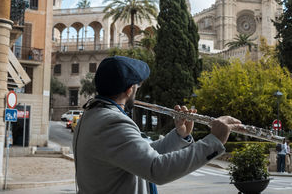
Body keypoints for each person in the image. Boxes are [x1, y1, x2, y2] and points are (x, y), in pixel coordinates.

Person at [73, 56, 242, 194]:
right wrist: (213, 141)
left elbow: (141, 155)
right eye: (138, 86)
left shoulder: (93, 114)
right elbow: (156, 170)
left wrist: (179, 135)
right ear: (130, 90)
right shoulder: (112, 122)